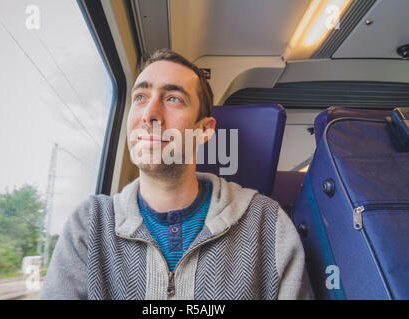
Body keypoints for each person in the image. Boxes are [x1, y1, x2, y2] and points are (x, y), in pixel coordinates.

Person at [40, 49, 312, 300]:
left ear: (205, 130)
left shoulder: (268, 225)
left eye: (172, 98)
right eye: (140, 97)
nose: (149, 114)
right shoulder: (90, 224)